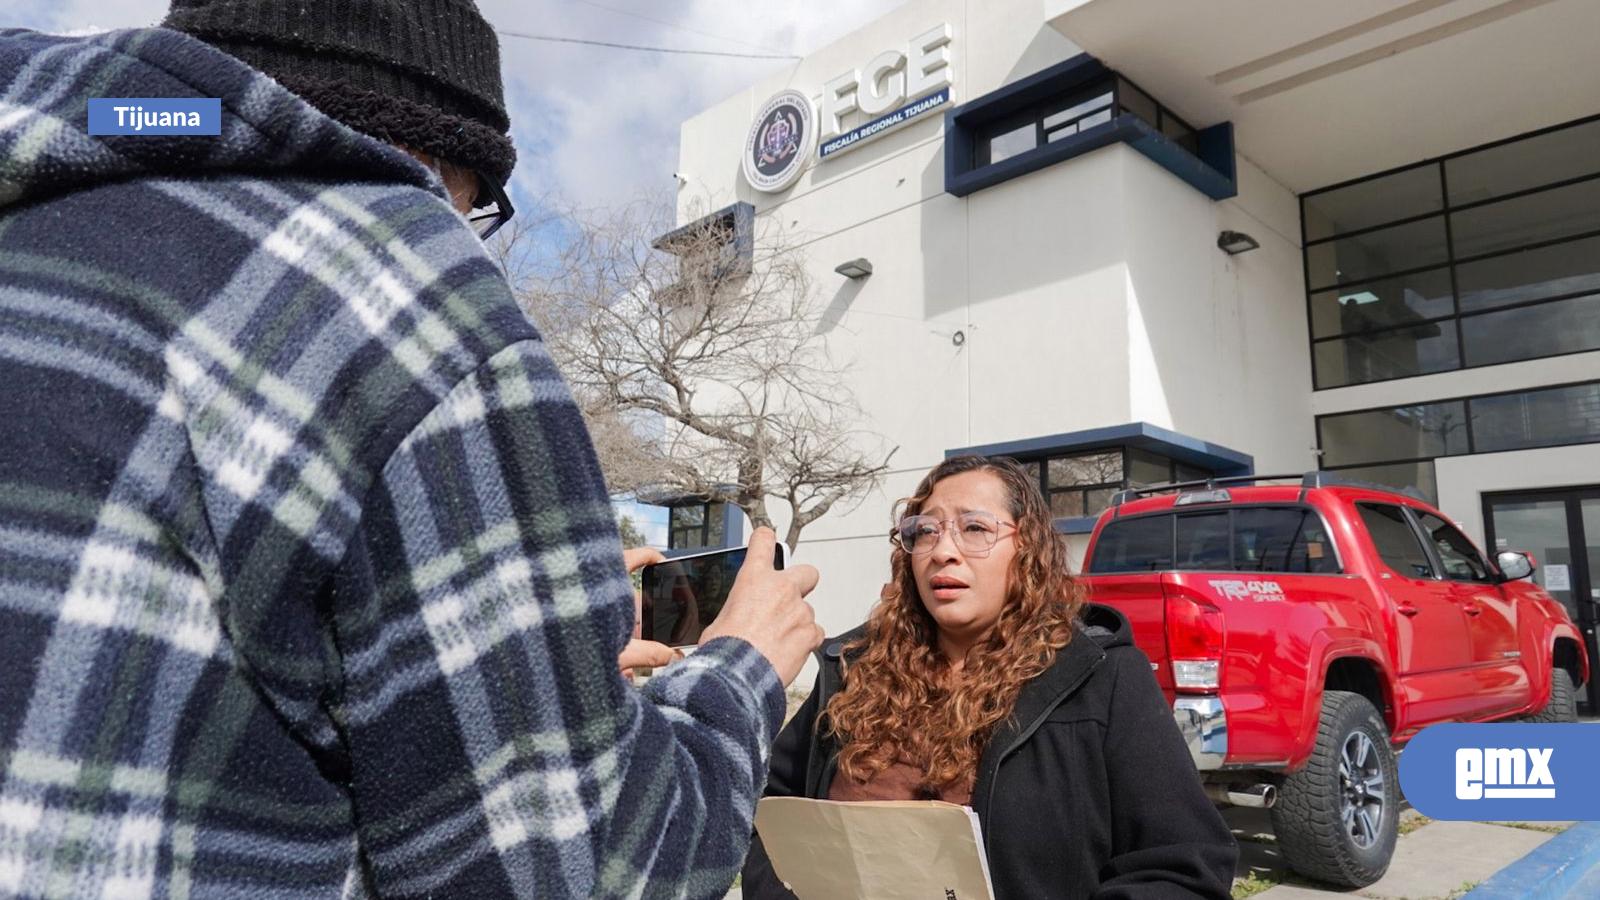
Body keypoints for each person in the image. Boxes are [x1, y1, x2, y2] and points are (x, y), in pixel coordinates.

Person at [0, 3, 823, 898]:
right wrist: (740, 667)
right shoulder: (403, 288)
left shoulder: (48, 205)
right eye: (478, 210)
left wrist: (522, 666)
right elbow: (582, 869)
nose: (462, 231)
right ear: (437, 160)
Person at [742, 455, 1238, 898]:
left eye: (975, 529)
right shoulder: (852, 670)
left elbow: (1185, 866)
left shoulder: (1099, 676)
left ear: (1026, 548)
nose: (943, 551)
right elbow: (765, 815)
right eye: (925, 531)